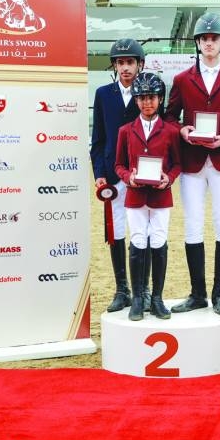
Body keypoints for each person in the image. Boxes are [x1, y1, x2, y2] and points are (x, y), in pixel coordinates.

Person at [165, 12, 220, 316]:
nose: (208, 43)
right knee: (192, 225)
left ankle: (219, 291)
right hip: (192, 161)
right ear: (198, 43)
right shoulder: (181, 80)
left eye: (213, 39)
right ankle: (197, 293)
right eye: (204, 39)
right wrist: (181, 130)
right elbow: (169, 117)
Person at [114, 72, 181, 321]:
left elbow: (177, 164)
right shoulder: (125, 131)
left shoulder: (171, 131)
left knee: (159, 241)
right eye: (141, 98)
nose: (147, 102)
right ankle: (139, 298)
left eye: (151, 97)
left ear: (160, 99)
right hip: (135, 195)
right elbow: (118, 164)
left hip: (161, 196)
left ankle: (157, 298)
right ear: (135, 100)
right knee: (138, 241)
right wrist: (126, 177)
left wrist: (169, 178)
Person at [90, 38, 144, 313]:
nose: (125, 68)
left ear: (139, 65)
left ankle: (140, 291)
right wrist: (99, 174)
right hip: (112, 175)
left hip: (139, 174)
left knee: (140, 232)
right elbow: (98, 139)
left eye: (130, 62)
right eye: (120, 63)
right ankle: (121, 289)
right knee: (117, 231)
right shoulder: (102, 94)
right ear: (114, 66)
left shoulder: (147, 93)